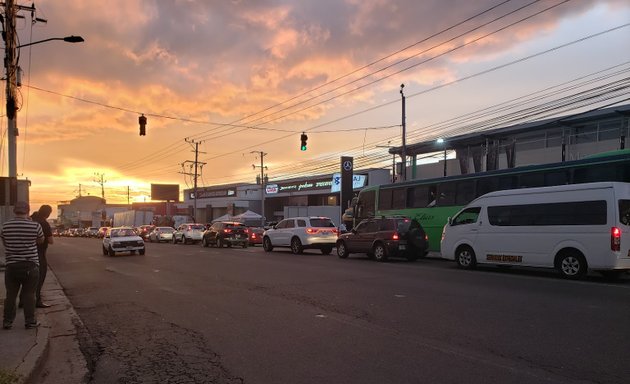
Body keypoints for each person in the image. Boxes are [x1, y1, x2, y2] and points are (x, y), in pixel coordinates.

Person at [2, 201, 45, 329]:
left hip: (12, 266)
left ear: (14, 211)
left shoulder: (5, 226)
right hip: (30, 265)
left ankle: (7, 322)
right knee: (29, 295)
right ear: (27, 211)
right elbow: (41, 240)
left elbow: (4, 242)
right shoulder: (35, 226)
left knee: (10, 295)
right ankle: (30, 322)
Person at [31, 204, 54, 308]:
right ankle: (37, 300)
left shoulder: (32, 220)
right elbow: (50, 241)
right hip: (40, 253)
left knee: (27, 280)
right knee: (39, 278)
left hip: (28, 252)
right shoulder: (44, 223)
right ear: (48, 213)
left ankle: (23, 300)